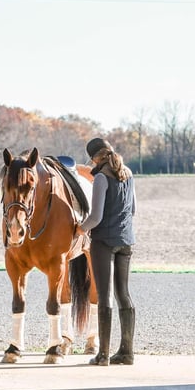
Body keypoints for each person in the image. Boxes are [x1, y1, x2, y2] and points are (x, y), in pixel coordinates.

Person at [78, 137, 137, 366]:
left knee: (104, 295)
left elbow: (96, 217)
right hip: (126, 241)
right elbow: (133, 209)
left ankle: (103, 355)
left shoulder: (101, 178)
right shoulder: (129, 173)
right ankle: (127, 352)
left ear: (95, 158)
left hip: (104, 242)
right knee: (124, 294)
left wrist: (79, 229)